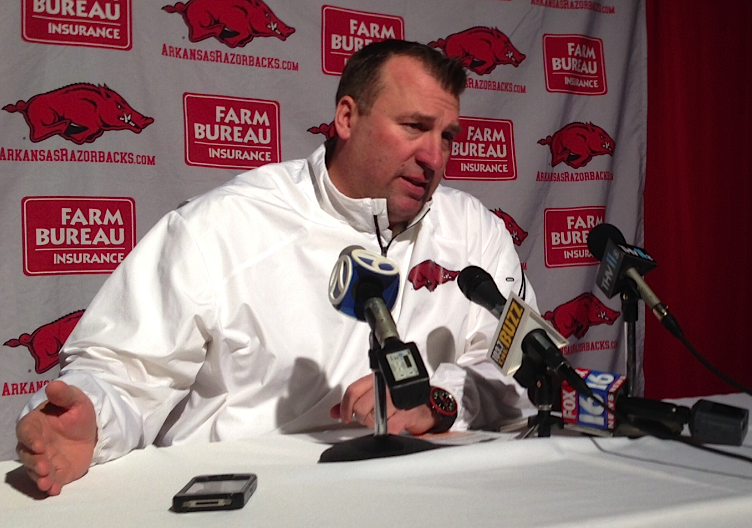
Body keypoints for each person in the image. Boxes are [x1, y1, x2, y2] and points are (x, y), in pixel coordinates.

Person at [16, 40, 536, 496]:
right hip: (260, 503)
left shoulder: (475, 231)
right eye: (415, 127)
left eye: (448, 136)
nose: (434, 156)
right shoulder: (222, 224)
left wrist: (440, 401)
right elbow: (124, 373)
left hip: (435, 496)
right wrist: (92, 418)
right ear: (347, 118)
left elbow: (524, 370)